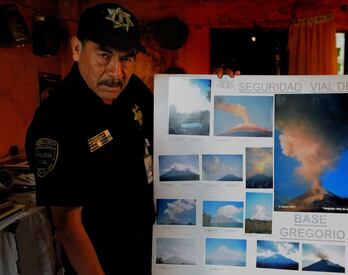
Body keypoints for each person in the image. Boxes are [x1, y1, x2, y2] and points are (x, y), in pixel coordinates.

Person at [25, 3, 238, 275]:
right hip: (103, 262)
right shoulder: (55, 120)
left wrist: (224, 93)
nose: (117, 72)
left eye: (127, 58)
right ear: (77, 49)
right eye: (104, 55)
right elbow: (66, 224)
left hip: (151, 249)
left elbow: (173, 132)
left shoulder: (133, 90)